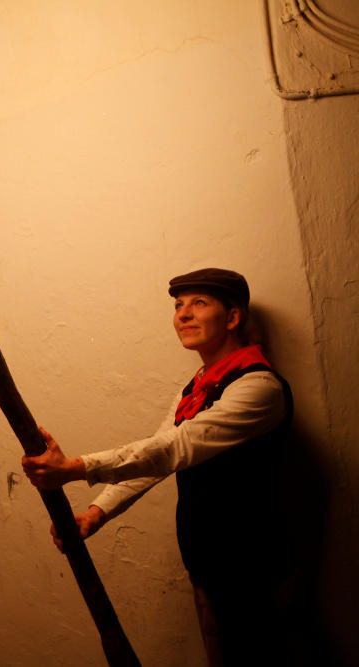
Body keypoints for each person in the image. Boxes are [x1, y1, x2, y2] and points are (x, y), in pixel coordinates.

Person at [21, 268, 293, 667]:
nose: (183, 314)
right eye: (179, 305)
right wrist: (96, 514)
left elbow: (171, 449)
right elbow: (156, 460)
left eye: (199, 303)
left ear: (233, 317)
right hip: (207, 562)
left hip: (252, 569)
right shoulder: (198, 385)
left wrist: (76, 467)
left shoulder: (258, 388)